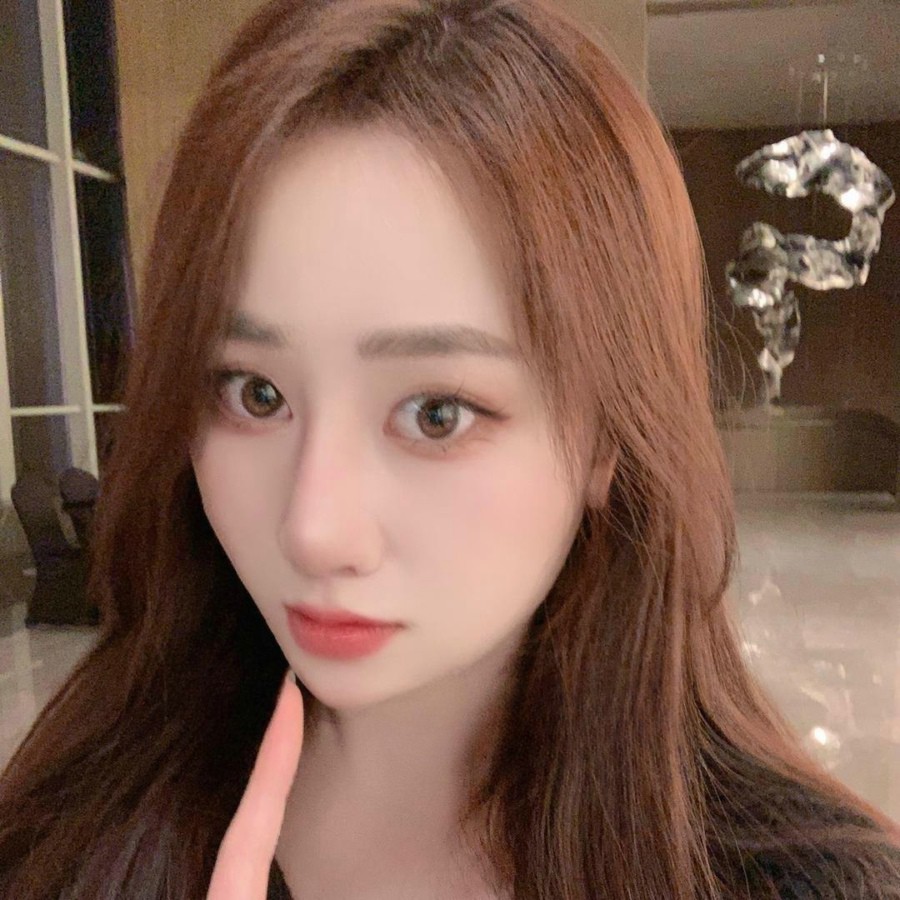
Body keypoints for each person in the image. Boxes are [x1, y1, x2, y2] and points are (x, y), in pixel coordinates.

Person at [1, 0, 898, 897]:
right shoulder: (63, 836)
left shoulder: (807, 883)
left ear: (606, 441)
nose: (314, 529)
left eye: (437, 414)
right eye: (255, 393)